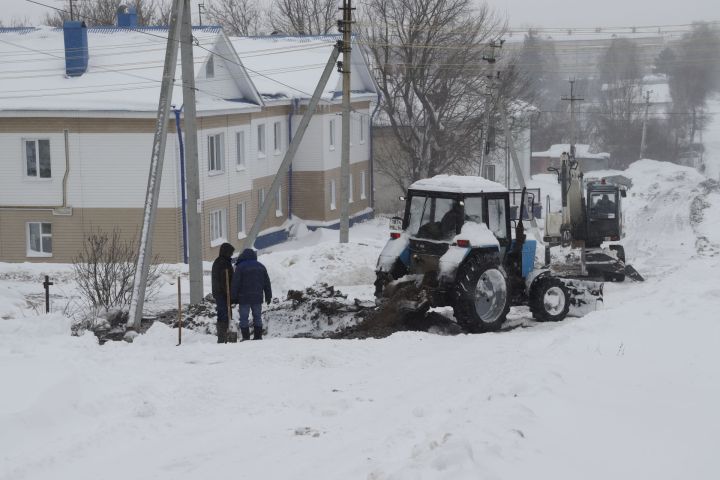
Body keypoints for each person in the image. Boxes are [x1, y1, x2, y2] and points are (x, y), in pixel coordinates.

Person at [231, 248, 272, 340]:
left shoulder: (240, 267)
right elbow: (267, 283)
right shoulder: (261, 266)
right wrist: (268, 296)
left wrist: (233, 297)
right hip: (257, 297)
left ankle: (246, 338)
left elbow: (235, 283)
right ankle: (258, 337)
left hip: (244, 297)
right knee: (257, 317)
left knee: (244, 318)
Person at [211, 242, 235, 343]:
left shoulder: (222, 261)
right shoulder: (222, 263)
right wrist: (228, 292)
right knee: (223, 313)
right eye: (231, 253)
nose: (232, 255)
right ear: (227, 252)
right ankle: (222, 337)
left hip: (222, 292)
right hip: (222, 293)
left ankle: (226, 335)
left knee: (226, 313)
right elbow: (223, 280)